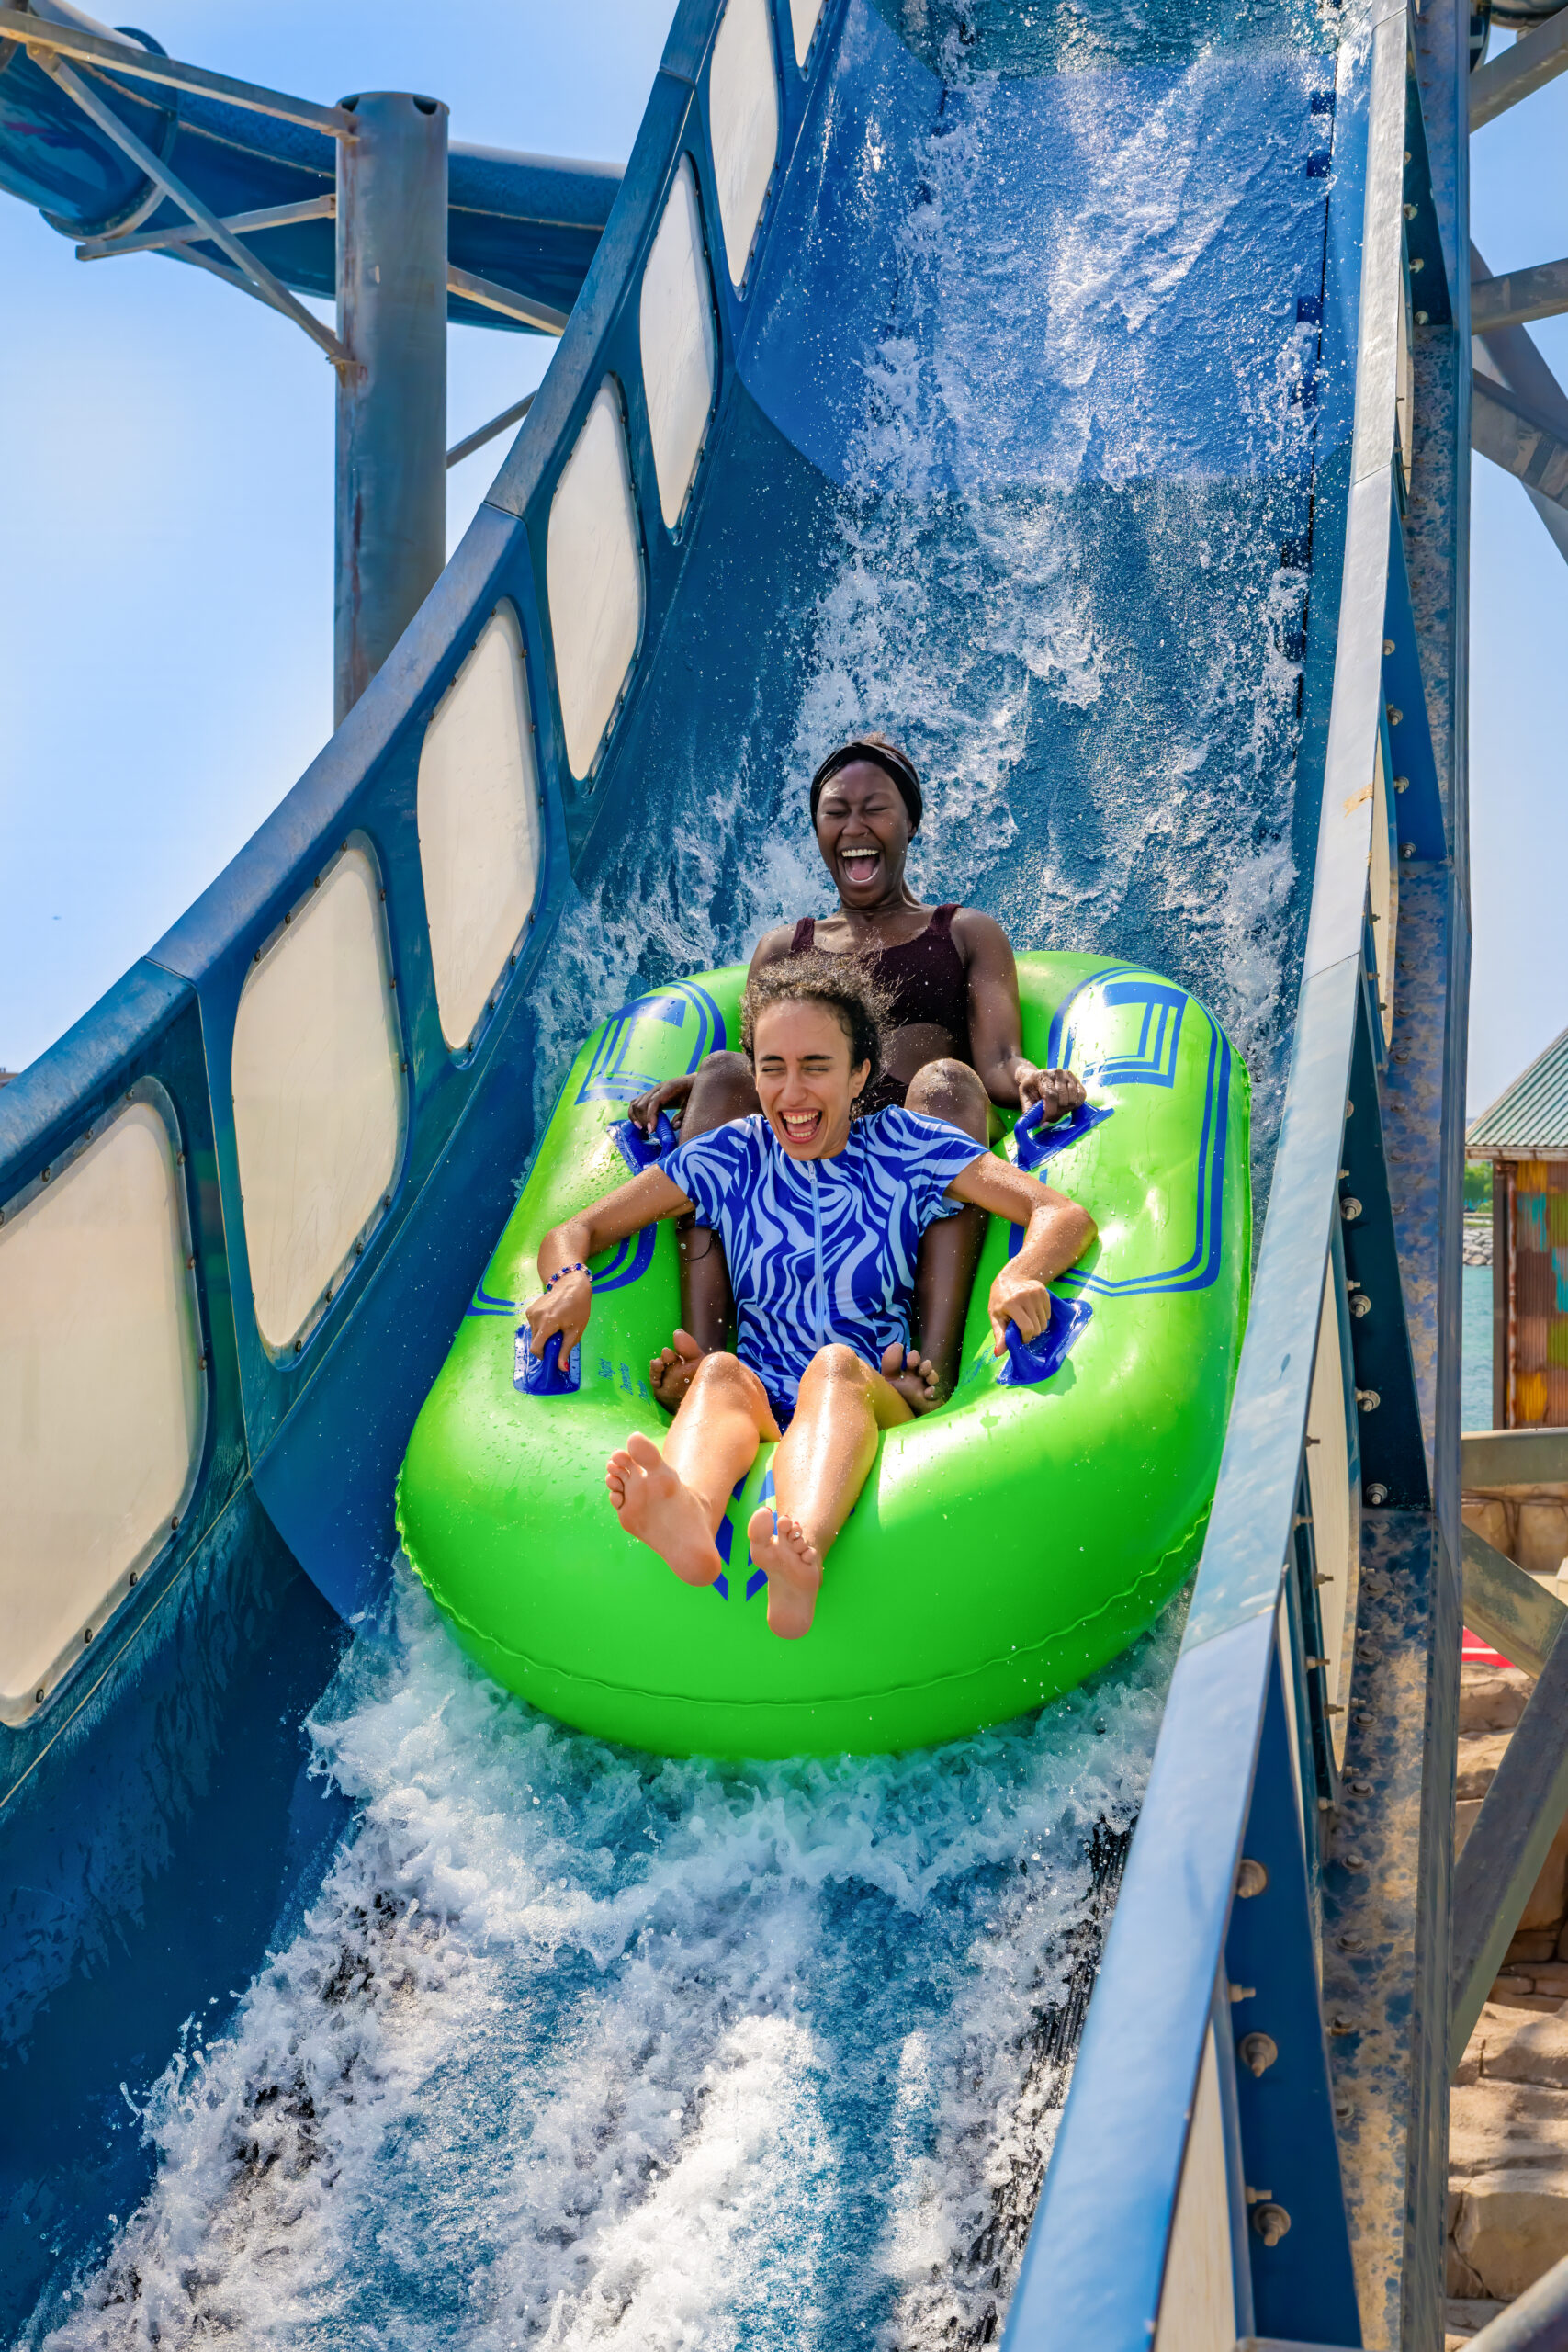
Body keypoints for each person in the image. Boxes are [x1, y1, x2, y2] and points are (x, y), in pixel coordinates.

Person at [526, 956, 1097, 1642]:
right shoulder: (731, 1155)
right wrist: (568, 1283)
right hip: (767, 1399)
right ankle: (689, 1517)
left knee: (831, 1368)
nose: (790, 1094)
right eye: (772, 1068)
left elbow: (1059, 1214)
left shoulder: (907, 1147)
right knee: (717, 1372)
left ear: (859, 1073)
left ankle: (801, 1548)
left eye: (815, 1066)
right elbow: (576, 1230)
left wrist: (1020, 1274)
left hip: (867, 1389)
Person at [629, 733, 1085, 1413]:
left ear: (910, 823)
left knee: (949, 1081)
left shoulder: (964, 932)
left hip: (915, 1143)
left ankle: (930, 1364)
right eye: (835, 811)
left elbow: (994, 1060)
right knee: (721, 1068)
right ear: (817, 830)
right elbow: (762, 1075)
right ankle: (705, 1355)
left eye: (874, 808)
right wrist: (701, 1088)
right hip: (808, 1134)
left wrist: (1029, 1078)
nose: (854, 827)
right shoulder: (784, 948)